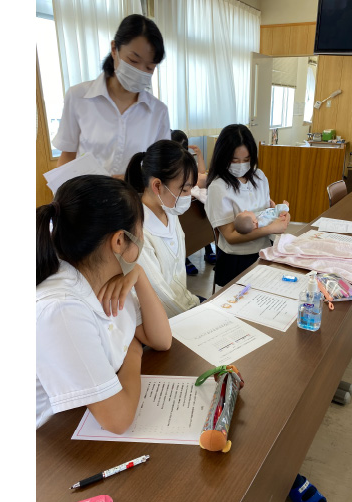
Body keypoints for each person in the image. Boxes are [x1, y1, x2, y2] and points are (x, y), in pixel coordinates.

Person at [36, 175, 172, 433]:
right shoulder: (61, 309)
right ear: (119, 241)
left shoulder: (108, 274)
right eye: (140, 233)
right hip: (54, 438)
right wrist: (134, 352)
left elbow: (162, 340)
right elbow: (118, 420)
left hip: (84, 416)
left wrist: (139, 275)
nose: (142, 241)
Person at [52, 15, 170, 179]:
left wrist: (127, 180)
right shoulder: (78, 97)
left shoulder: (158, 111)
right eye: (133, 61)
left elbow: (160, 168)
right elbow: (67, 156)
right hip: (87, 192)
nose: (140, 71)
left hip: (133, 194)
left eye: (150, 67)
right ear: (114, 49)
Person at [120, 139, 204, 317]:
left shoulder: (169, 210)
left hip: (186, 303)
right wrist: (196, 314)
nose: (188, 196)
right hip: (167, 317)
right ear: (157, 186)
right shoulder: (138, 232)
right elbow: (161, 297)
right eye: (184, 190)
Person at [205, 124, 290, 288]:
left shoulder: (259, 176)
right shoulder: (218, 187)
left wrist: (282, 215)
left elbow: (268, 210)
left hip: (264, 252)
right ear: (223, 156)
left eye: (246, 159)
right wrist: (271, 229)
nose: (241, 165)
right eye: (234, 160)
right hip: (235, 260)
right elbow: (230, 236)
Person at [170, 129, 217, 269]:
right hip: (177, 202)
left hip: (192, 198)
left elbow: (200, 174)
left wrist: (200, 154)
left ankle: (207, 247)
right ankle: (184, 257)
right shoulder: (169, 164)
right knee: (185, 222)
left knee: (201, 211)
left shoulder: (187, 161)